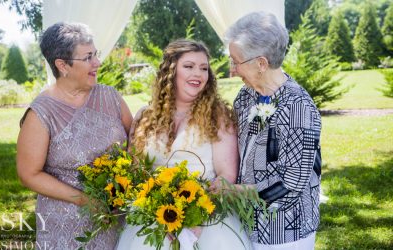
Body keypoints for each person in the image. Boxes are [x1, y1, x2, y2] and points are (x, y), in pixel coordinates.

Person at [116, 39, 252, 250]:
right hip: (152, 217)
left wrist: (195, 213)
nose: (198, 74)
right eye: (189, 66)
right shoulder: (145, 116)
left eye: (204, 68)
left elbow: (226, 175)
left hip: (206, 219)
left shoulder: (218, 117)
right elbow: (135, 170)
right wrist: (155, 205)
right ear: (170, 72)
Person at [16, 22, 133, 249]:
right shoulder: (41, 113)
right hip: (67, 223)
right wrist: (86, 200)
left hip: (118, 216)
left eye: (95, 54)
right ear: (62, 65)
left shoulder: (111, 97)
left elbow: (136, 142)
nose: (97, 63)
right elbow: (28, 174)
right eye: (88, 57)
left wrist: (124, 186)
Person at [223, 11, 322, 250]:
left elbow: (290, 186)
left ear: (261, 64)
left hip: (285, 231)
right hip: (247, 224)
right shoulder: (245, 96)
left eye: (236, 61)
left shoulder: (299, 108)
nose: (233, 69)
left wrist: (234, 192)